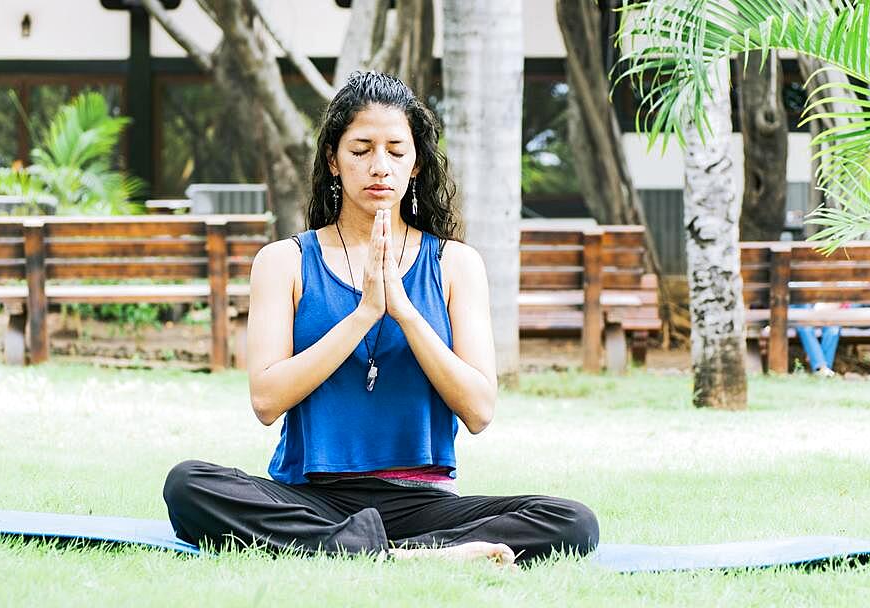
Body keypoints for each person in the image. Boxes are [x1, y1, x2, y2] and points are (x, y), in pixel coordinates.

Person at [162, 71, 599, 567]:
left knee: (573, 521)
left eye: (396, 150)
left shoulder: (455, 264)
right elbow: (266, 400)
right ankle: (399, 556)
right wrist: (364, 313)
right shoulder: (283, 261)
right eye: (361, 149)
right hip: (311, 499)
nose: (379, 167)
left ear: (415, 164)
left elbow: (479, 410)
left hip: (423, 503)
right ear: (333, 159)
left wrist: (406, 313)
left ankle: (385, 550)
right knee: (188, 484)